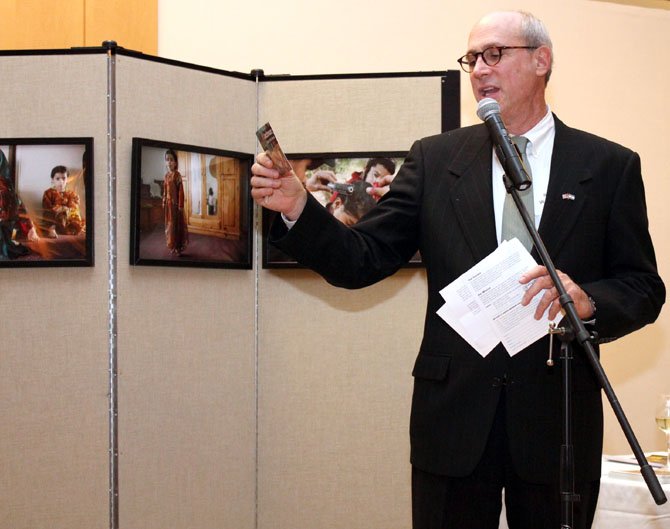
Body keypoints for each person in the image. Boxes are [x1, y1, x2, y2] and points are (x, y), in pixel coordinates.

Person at [250, 10, 665, 529]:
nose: (480, 70)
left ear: (542, 60)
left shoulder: (607, 166)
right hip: (452, 421)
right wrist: (298, 208)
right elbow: (362, 259)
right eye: (472, 58)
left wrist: (588, 301)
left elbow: (643, 287)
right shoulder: (437, 159)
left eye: (495, 54)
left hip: (556, 418)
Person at [41, 165, 85, 238]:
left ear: (67, 179)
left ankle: (76, 229)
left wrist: (66, 209)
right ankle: (51, 229)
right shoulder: (48, 193)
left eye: (64, 178)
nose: (61, 181)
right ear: (52, 180)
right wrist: (60, 209)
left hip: (68, 221)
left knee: (76, 216)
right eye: (57, 179)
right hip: (54, 220)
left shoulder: (72, 194)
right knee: (49, 214)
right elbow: (47, 209)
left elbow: (73, 208)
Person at [162, 149, 188, 255]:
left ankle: (178, 246)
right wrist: (163, 200)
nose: (169, 162)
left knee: (176, 226)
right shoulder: (166, 176)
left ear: (175, 162)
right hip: (168, 206)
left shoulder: (177, 175)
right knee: (170, 226)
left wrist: (180, 205)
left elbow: (181, 191)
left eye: (171, 160)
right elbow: (164, 190)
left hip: (176, 206)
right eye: (167, 160)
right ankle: (172, 245)